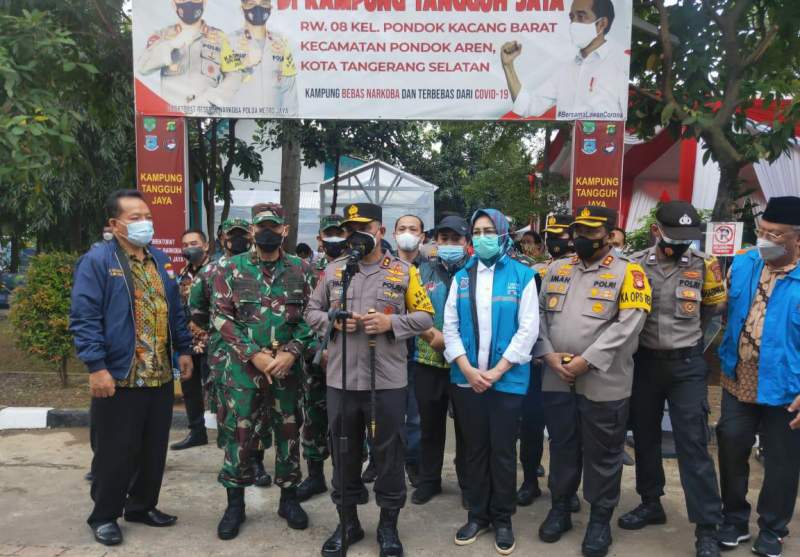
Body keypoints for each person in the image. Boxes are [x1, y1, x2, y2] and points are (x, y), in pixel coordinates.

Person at [305, 203, 434, 557]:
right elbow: (311, 312)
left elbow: (425, 317)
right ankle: (347, 522)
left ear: (379, 230)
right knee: (343, 453)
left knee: (389, 454)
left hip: (387, 381)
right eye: (350, 228)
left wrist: (391, 324)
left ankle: (388, 527)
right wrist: (332, 320)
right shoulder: (333, 272)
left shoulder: (404, 272)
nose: (356, 234)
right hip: (341, 381)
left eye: (363, 226)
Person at [70, 189, 193, 546]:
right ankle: (104, 515)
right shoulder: (97, 261)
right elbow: (85, 316)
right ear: (115, 224)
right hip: (120, 375)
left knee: (153, 449)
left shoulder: (158, 259)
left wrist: (182, 350)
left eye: (147, 216)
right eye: (135, 218)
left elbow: (175, 311)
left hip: (157, 375)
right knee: (115, 452)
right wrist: (96, 366)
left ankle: (141, 505)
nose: (144, 223)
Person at [535, 205, 651, 557]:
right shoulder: (557, 268)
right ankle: (561, 507)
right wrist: (547, 352)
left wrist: (589, 359)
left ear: (610, 234)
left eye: (590, 233)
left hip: (604, 380)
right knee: (561, 446)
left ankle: (600, 520)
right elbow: (538, 315)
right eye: (578, 232)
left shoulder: (629, 273)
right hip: (556, 377)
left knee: (603, 455)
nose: (582, 238)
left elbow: (629, 324)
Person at [621, 201, 726, 557]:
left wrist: (691, 346)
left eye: (687, 237)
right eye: (674, 236)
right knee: (645, 437)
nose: (682, 244)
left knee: (693, 443)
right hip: (645, 364)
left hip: (686, 367)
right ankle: (651, 502)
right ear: (656, 231)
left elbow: (711, 313)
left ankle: (708, 526)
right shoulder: (635, 265)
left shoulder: (705, 266)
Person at [211, 203, 316, 539]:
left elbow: (313, 316)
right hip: (244, 373)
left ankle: (288, 500)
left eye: (274, 226)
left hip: (287, 371)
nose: (267, 232)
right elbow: (221, 318)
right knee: (239, 438)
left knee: (288, 435)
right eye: (261, 227)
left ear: (285, 230)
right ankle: (234, 506)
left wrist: (292, 351)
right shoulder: (231, 269)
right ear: (253, 231)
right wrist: (253, 354)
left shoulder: (302, 270)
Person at [444, 208, 540, 556]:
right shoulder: (462, 277)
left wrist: (497, 371)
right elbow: (450, 328)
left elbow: (528, 330)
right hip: (467, 380)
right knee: (474, 450)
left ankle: (503, 518)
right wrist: (468, 370)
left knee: (502, 451)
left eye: (489, 230)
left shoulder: (523, 276)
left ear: (502, 234)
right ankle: (477, 515)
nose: (482, 236)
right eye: (477, 231)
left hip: (506, 380)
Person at [716, 196, 800, 557]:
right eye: (762, 231)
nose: (765, 239)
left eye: (776, 235)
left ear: (797, 238)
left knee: (782, 460)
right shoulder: (744, 262)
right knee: (731, 444)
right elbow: (722, 310)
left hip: (787, 387)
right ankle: (734, 518)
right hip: (738, 377)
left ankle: (773, 527)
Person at [189, 218, 274, 487]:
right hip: (226, 359)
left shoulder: (261, 270)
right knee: (230, 416)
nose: (237, 240)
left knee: (260, 413)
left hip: (259, 356)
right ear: (222, 238)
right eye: (231, 235)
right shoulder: (211, 272)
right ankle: (235, 465)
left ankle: (257, 463)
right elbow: (198, 311)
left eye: (242, 235)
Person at [409, 216, 471, 506]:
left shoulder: (475, 273)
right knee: (430, 426)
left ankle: (469, 482)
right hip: (427, 359)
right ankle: (429, 479)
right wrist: (429, 334)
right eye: (442, 239)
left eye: (454, 239)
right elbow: (410, 306)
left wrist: (456, 342)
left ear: (466, 242)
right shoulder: (420, 271)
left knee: (467, 429)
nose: (448, 245)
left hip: (465, 365)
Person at [501, 0, 627, 120]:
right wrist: (508, 66)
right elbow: (528, 106)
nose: (574, 24)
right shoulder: (566, 70)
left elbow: (631, 123)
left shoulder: (620, 64)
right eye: (572, 18)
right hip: (570, 141)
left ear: (602, 23)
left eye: (581, 16)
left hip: (606, 141)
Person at [296, 214, 346, 502]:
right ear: (320, 238)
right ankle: (315, 476)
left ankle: (346, 478)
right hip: (315, 361)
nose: (335, 239)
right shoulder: (305, 271)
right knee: (314, 418)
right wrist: (317, 349)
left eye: (340, 233)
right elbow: (299, 314)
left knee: (347, 421)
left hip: (348, 357)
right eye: (330, 234)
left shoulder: (353, 268)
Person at [137, 0, 238, 107]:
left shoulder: (220, 37)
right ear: (173, 3)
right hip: (172, 113)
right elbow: (142, 66)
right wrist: (170, 45)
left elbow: (235, 75)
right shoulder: (163, 36)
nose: (189, 2)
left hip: (207, 113)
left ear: (204, 2)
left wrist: (210, 99)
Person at [393, 214, 426, 487]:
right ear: (393, 234)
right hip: (389, 351)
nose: (407, 233)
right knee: (382, 413)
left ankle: (414, 463)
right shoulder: (384, 266)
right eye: (402, 228)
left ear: (422, 236)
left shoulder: (431, 269)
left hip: (421, 353)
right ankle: (382, 463)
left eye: (412, 229)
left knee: (415, 415)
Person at [172, 229, 211, 451]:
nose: (190, 248)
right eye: (185, 244)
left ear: (206, 246)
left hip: (213, 342)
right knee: (190, 389)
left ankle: (232, 438)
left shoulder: (218, 271)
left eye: (194, 243)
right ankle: (197, 432)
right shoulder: (182, 275)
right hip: (188, 343)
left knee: (217, 391)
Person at [225, 0, 299, 115]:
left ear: (270, 8)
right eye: (251, 4)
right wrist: (245, 65)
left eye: (264, 4)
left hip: (275, 125)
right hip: (237, 122)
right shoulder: (229, 42)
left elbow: (289, 92)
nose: (258, 9)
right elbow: (220, 86)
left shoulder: (281, 44)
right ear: (242, 8)